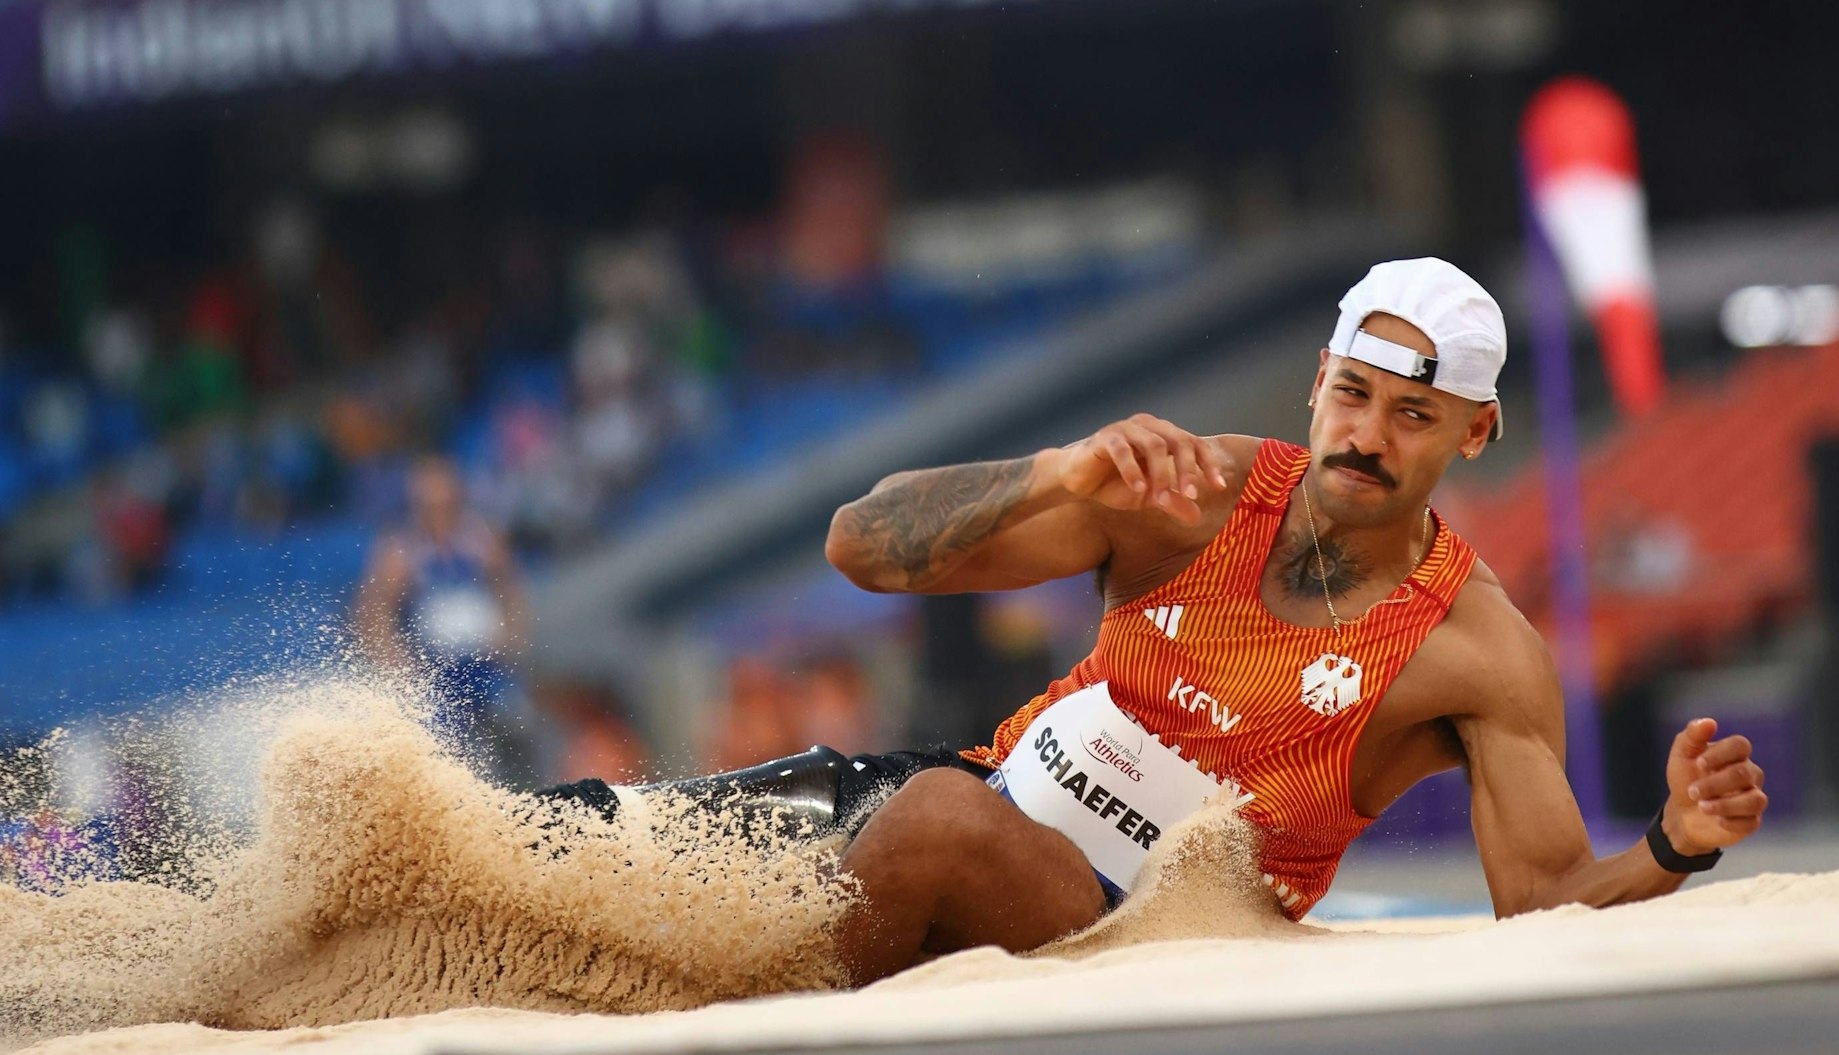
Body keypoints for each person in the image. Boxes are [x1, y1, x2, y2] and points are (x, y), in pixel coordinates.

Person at [541, 258, 1768, 986]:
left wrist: (1670, 843)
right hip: (972, 793)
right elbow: (861, 548)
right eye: (1353, 394)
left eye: (1413, 413)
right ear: (1317, 381)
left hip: (1142, 926)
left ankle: (764, 1033)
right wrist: (1058, 471)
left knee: (934, 824)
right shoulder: (1201, 490)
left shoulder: (1474, 649)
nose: (1365, 436)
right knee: (605, 834)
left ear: (1475, 432)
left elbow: (1541, 897)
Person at [355, 455, 534, 784]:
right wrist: (395, 660)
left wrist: (512, 635)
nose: (439, 508)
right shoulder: (402, 548)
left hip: (485, 660)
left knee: (515, 725)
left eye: (444, 498)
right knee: (447, 747)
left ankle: (521, 791)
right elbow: (375, 609)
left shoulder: (481, 536)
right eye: (430, 500)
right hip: (436, 668)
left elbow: (510, 589)